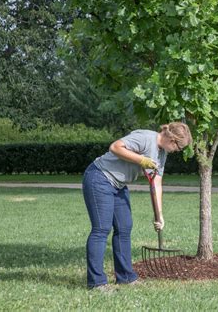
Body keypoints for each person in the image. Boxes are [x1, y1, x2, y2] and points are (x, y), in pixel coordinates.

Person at [82, 122, 192, 290]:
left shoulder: (162, 154)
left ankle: (126, 277)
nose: (177, 151)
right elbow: (115, 147)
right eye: (178, 147)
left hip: (118, 185)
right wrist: (142, 160)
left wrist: (159, 215)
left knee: (124, 227)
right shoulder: (146, 138)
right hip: (99, 177)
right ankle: (96, 282)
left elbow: (156, 183)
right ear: (171, 138)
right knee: (101, 229)